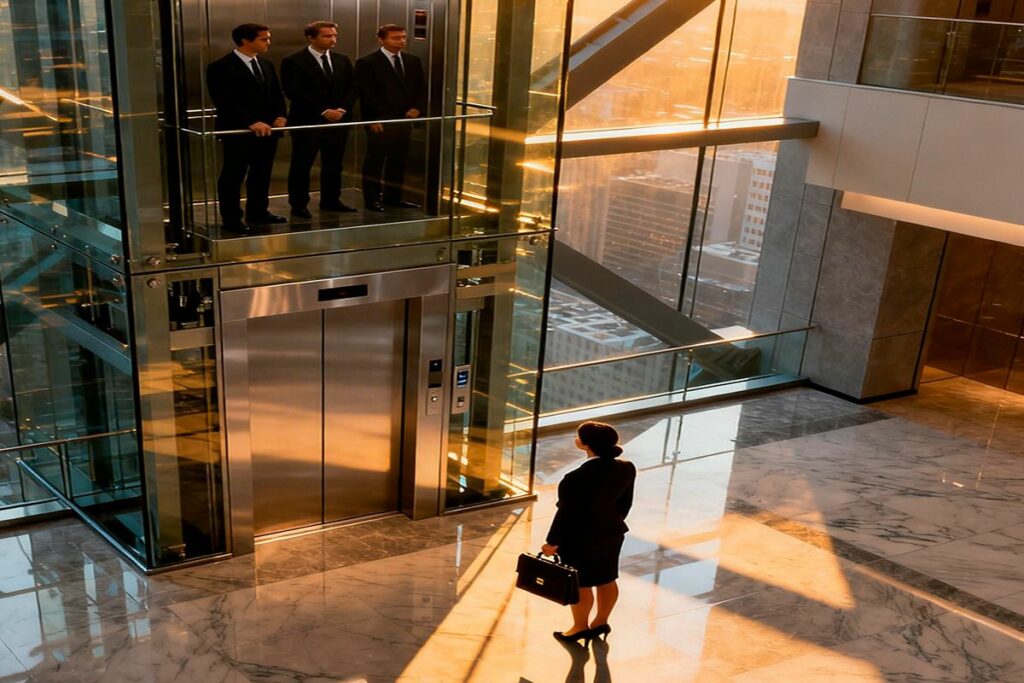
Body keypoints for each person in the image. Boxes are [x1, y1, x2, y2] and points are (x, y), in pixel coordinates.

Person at [542, 422, 636, 646]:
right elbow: (625, 503)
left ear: (585, 444)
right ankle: (600, 622)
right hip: (612, 531)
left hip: (580, 537)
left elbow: (566, 514)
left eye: (578, 436)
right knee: (607, 578)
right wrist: (611, 521)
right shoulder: (626, 467)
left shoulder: (574, 478)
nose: (575, 439)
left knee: (581, 582)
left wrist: (552, 542)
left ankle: (579, 627)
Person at [206, 23, 288, 231]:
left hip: (267, 131)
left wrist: (280, 116)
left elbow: (276, 94)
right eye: (264, 39)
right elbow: (225, 101)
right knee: (233, 175)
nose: (268, 42)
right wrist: (250, 121)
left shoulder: (266, 64)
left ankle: (258, 212)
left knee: (262, 173)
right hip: (238, 131)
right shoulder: (220, 67)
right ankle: (232, 219)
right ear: (245, 40)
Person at [280, 20, 357, 219]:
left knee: (334, 164)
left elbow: (352, 88)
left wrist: (341, 109)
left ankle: (331, 200)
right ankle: (299, 204)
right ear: (311, 38)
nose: (333, 39)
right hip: (308, 121)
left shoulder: (342, 60)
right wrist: (323, 111)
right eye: (327, 36)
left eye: (335, 35)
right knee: (302, 165)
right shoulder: (294, 61)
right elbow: (294, 91)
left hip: (338, 122)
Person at [354, 24, 426, 212]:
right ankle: (372, 199)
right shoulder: (367, 63)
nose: (401, 41)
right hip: (380, 120)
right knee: (375, 160)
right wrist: (373, 119)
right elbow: (366, 93)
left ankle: (393, 198)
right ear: (381, 40)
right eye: (395, 38)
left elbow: (420, 88)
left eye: (403, 37)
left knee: (398, 160)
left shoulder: (412, 61)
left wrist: (417, 108)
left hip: (403, 119)